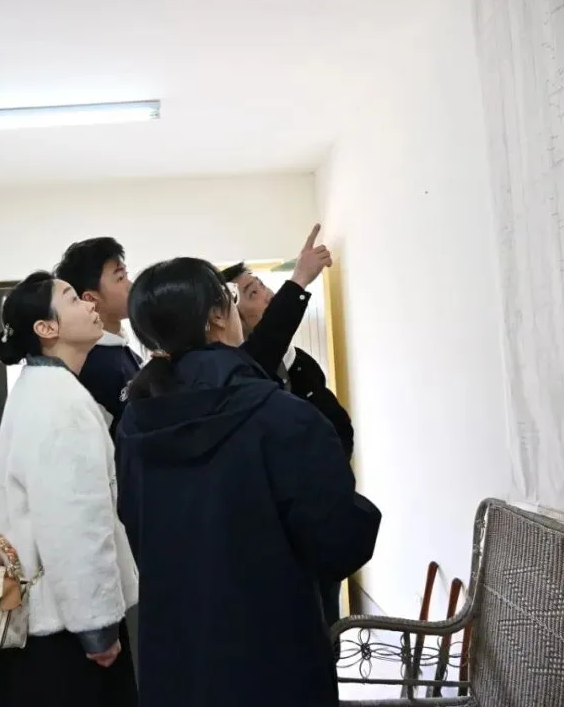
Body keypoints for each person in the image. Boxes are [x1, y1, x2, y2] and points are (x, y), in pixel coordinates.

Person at [115, 257, 381, 707]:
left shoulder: (135, 426)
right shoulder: (283, 416)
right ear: (218, 317)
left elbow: (137, 528)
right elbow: (339, 542)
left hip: (176, 659)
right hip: (272, 658)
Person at [0, 271, 139, 707]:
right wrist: (98, 628)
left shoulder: (38, 387)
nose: (90, 304)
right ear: (46, 328)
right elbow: (76, 525)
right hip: (66, 633)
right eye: (73, 299)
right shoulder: (61, 403)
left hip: (40, 619)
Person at [222, 225, 356, 628]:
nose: (267, 294)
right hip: (281, 538)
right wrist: (299, 278)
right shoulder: (242, 373)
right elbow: (266, 344)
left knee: (328, 623)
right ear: (229, 318)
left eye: (262, 284)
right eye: (252, 293)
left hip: (322, 521)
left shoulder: (300, 363)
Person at [54, 237, 142, 433]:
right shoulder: (90, 365)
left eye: (126, 275)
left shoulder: (123, 350)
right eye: (120, 278)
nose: (131, 285)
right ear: (91, 299)